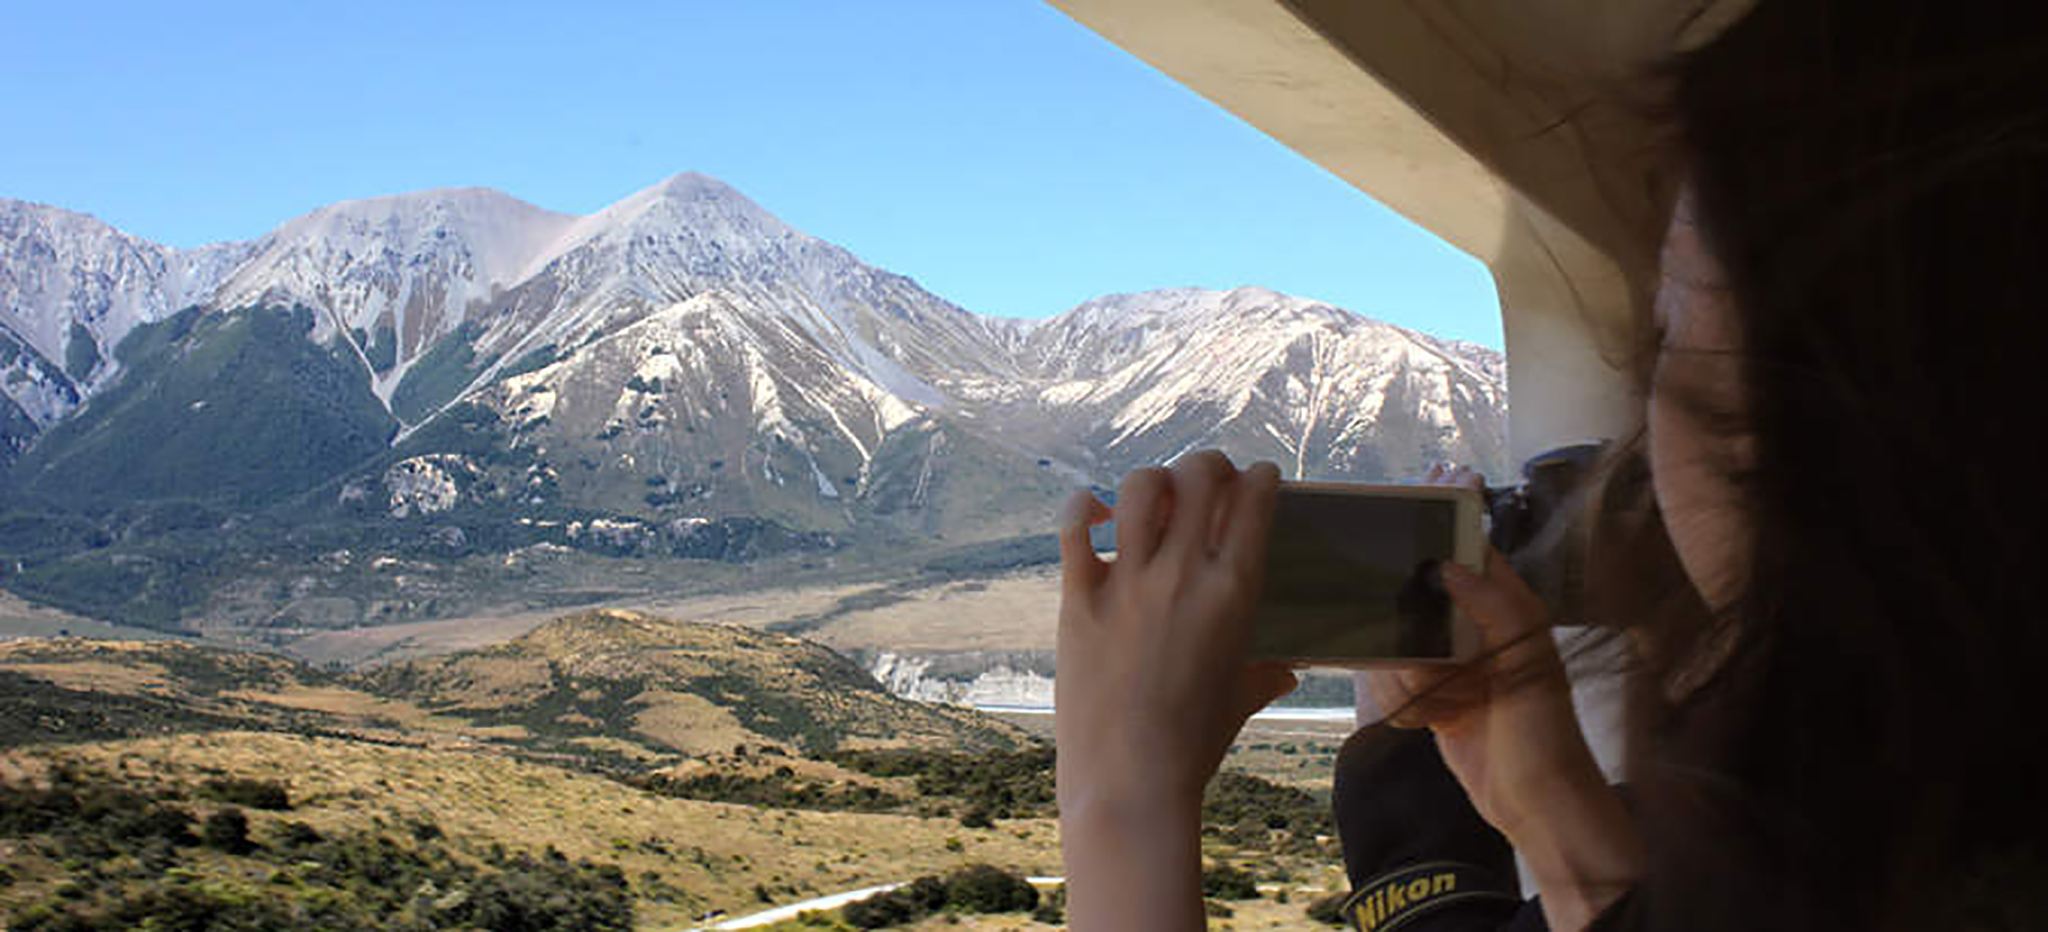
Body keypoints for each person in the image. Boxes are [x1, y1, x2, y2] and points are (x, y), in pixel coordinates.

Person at [1053, 1, 2048, 929]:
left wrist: (1121, 793)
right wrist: (1544, 806)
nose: (1621, 453)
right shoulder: (1946, 833)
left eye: (1664, 340)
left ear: (1811, 443)